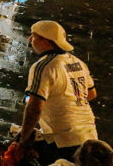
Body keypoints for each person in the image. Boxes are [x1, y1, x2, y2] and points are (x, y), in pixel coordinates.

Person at [18, 20, 97, 164]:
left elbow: (34, 107)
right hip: (89, 136)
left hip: (63, 140)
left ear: (46, 41)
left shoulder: (43, 66)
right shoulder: (78, 62)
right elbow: (91, 94)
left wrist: (23, 141)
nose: (30, 40)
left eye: (34, 36)